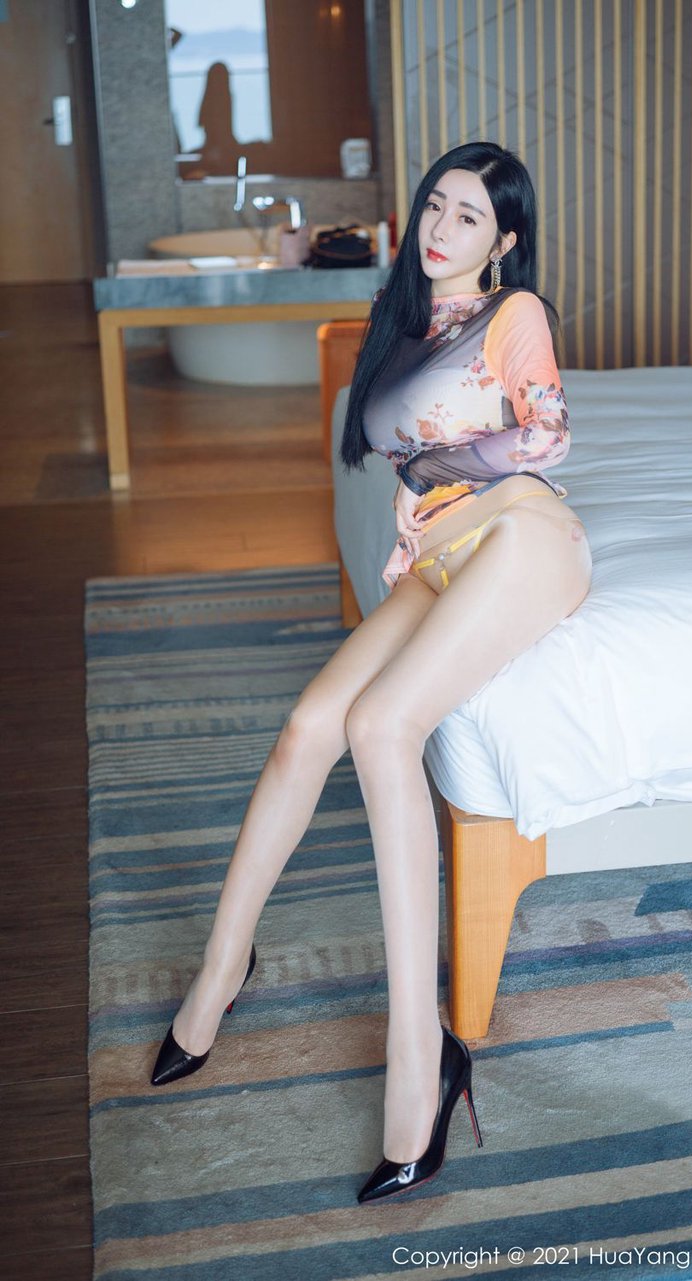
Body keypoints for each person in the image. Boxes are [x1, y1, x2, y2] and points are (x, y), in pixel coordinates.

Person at [150, 141, 593, 1203]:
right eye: (436, 206)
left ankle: (420, 1051)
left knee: (382, 726)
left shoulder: (513, 314)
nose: (442, 228)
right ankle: (222, 967)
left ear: (505, 240)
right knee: (309, 726)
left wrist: (439, 466)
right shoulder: (404, 321)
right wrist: (413, 493)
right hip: (441, 560)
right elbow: (402, 452)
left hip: (523, 539)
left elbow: (548, 436)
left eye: (469, 217)